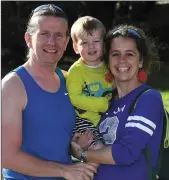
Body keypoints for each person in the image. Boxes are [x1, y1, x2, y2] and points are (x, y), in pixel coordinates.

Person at [2, 4, 97, 180]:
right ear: (28, 39)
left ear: (67, 41)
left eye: (59, 35)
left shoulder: (69, 80)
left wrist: (77, 145)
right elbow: (6, 156)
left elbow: (58, 138)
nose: (52, 42)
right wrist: (64, 170)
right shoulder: (13, 86)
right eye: (44, 34)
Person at [71, 24, 164, 180]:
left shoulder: (148, 98)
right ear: (107, 61)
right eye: (115, 54)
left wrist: (82, 154)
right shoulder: (106, 102)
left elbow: (126, 153)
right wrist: (82, 141)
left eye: (129, 54)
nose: (122, 60)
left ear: (140, 61)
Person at [66, 16, 113, 150]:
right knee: (98, 148)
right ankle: (87, 168)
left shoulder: (107, 67)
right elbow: (74, 98)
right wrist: (103, 104)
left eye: (96, 41)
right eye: (84, 43)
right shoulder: (77, 71)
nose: (91, 46)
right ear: (75, 47)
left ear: (104, 44)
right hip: (84, 121)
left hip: (106, 118)